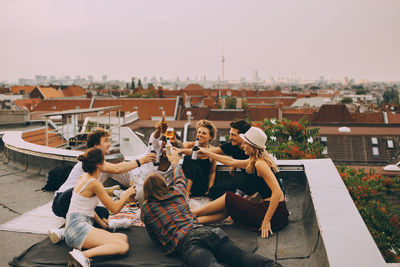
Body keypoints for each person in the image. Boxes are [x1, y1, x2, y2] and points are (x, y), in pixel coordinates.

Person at [140, 149, 281, 267]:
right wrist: (175, 162)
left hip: (188, 243)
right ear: (165, 186)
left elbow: (156, 237)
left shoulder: (147, 208)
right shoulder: (178, 192)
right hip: (210, 232)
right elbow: (180, 178)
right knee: (240, 257)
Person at [49, 128, 155, 243]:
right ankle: (64, 231)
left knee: (103, 213)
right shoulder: (94, 163)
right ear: (96, 145)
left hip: (75, 204)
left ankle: (102, 226)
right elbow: (118, 168)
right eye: (106, 141)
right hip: (62, 200)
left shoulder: (102, 165)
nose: (109, 144)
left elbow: (121, 168)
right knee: (76, 195)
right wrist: (142, 161)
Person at [193, 127, 289, 238]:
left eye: (245, 143)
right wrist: (206, 152)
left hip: (271, 213)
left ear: (252, 146)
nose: (242, 146)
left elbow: (277, 192)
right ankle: (193, 220)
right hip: (277, 213)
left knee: (229, 197)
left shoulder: (260, 164)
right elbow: (231, 161)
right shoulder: (256, 160)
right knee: (228, 209)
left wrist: (266, 221)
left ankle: (192, 214)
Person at [65, 147, 135, 267]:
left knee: (123, 238)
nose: (106, 163)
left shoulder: (84, 177)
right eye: (104, 161)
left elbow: (88, 208)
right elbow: (114, 208)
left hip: (74, 226)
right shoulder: (94, 183)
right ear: (99, 165)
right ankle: (81, 256)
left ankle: (80, 252)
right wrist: (127, 194)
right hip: (77, 230)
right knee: (123, 246)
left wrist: (103, 225)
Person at [206, 119, 253, 200]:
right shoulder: (232, 146)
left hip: (254, 187)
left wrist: (234, 163)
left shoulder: (254, 150)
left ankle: (238, 199)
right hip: (245, 183)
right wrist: (182, 149)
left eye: (233, 135)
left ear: (243, 136)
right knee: (213, 191)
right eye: (230, 134)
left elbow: (232, 162)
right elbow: (211, 150)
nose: (230, 137)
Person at [177, 119, 217, 197]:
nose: (200, 135)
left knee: (192, 155)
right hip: (185, 184)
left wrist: (210, 189)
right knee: (190, 155)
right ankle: (187, 191)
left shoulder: (213, 150)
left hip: (200, 185)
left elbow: (212, 172)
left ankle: (186, 192)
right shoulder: (190, 145)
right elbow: (181, 145)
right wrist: (174, 140)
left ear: (210, 137)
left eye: (204, 133)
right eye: (199, 132)